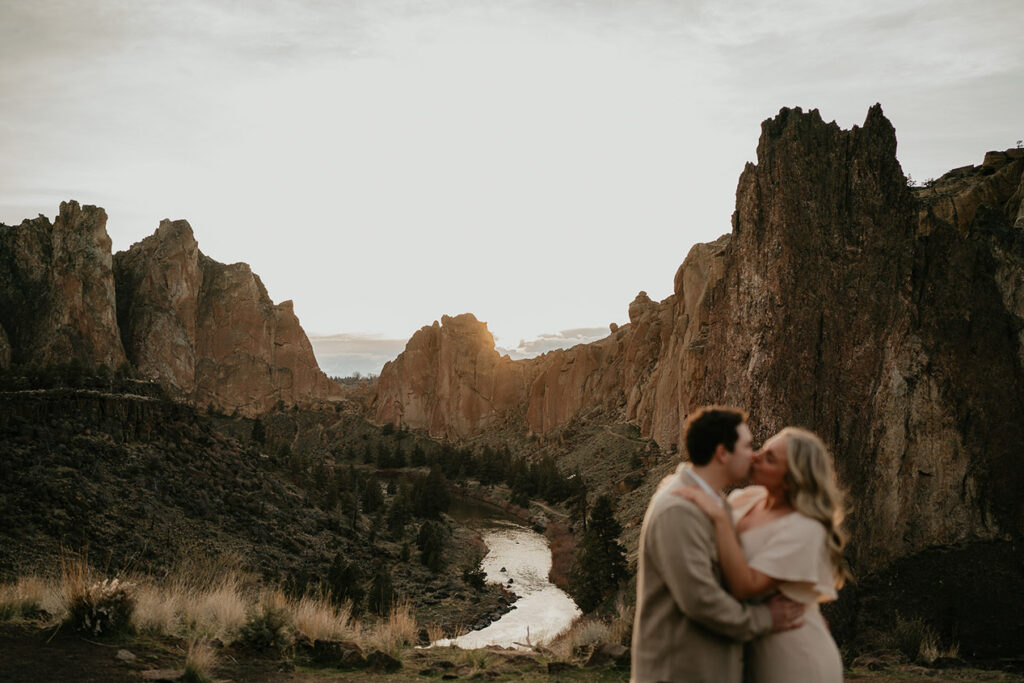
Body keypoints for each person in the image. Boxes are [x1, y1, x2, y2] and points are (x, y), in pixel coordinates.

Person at [631, 406, 804, 683]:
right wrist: (766, 619)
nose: (754, 455)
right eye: (748, 446)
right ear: (723, 453)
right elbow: (700, 600)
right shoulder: (679, 509)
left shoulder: (715, 503)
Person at [676, 426, 849, 683]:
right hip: (750, 648)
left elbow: (747, 586)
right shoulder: (746, 499)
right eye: (761, 449)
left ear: (792, 479)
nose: (755, 456)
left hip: (794, 659)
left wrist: (720, 519)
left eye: (769, 458)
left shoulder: (805, 528)